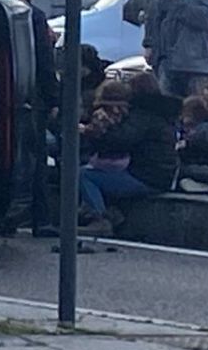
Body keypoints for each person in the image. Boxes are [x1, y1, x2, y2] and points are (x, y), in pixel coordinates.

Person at [78, 70, 181, 232]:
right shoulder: (161, 114)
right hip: (160, 174)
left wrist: (94, 132)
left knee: (84, 175)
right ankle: (112, 214)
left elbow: (120, 141)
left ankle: (99, 218)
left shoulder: (142, 116)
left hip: (145, 177)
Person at [10, 0, 61, 236]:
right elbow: (44, 61)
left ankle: (7, 220)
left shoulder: (1, 9)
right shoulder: (35, 16)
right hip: (32, 99)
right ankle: (41, 220)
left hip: (5, 98)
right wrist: (53, 97)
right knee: (36, 159)